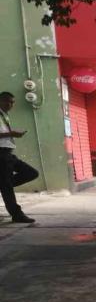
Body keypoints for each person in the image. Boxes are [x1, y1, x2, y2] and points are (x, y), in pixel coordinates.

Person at [0, 91, 38, 223]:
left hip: (8, 153)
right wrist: (11, 134)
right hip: (1, 154)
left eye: (12, 102)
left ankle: (4, 185)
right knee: (6, 185)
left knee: (31, 173)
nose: (10, 104)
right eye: (7, 101)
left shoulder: (4, 115)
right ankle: (17, 214)